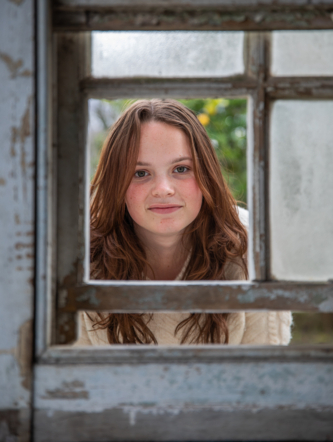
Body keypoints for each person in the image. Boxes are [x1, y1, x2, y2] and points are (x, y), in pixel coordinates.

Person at [75, 99, 291, 346]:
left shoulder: (254, 246)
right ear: (117, 184)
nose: (163, 189)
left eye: (181, 169)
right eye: (141, 173)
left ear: (205, 173)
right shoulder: (80, 255)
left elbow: (264, 373)